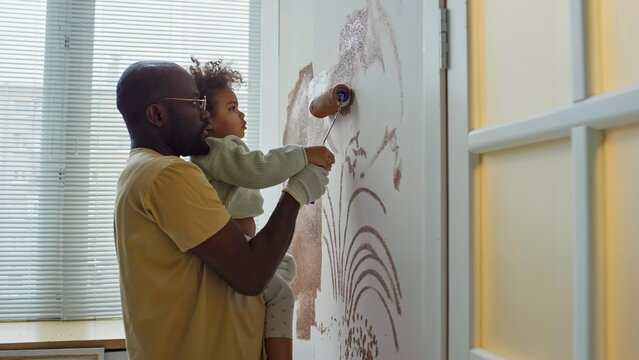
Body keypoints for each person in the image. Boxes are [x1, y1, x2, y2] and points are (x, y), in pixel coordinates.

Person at [113, 60, 330, 360]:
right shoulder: (168, 175)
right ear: (157, 114)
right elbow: (251, 274)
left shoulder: (141, 170)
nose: (204, 114)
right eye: (195, 103)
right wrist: (297, 192)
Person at [188, 58, 335, 360]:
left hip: (244, 247)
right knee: (282, 294)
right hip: (232, 254)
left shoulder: (222, 150)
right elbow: (257, 168)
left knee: (286, 266)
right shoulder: (215, 151)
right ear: (207, 121)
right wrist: (304, 155)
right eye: (231, 108)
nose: (241, 114)